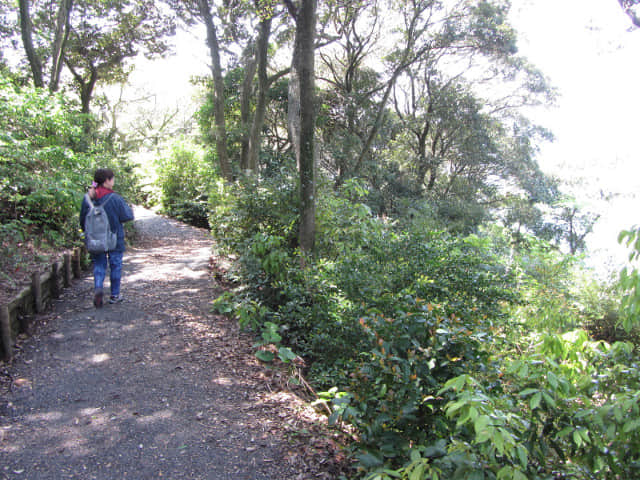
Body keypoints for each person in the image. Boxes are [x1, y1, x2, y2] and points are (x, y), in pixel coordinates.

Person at [80, 168, 134, 308]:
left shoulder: (88, 198)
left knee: (99, 264)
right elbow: (128, 216)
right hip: (114, 237)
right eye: (112, 179)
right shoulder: (114, 198)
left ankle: (98, 288)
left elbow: (82, 220)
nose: (113, 181)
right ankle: (115, 295)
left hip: (95, 239)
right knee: (115, 265)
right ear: (107, 181)